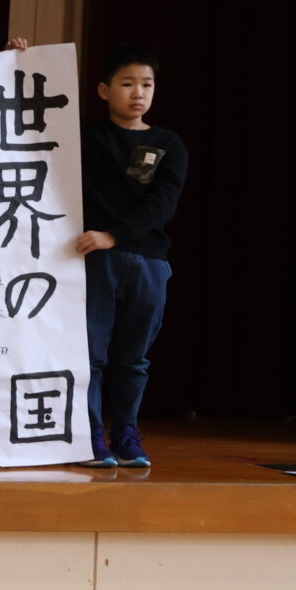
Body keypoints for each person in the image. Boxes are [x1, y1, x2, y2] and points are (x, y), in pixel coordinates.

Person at [76, 44, 188, 468]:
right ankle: (90, 436)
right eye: (127, 84)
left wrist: (114, 234)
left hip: (148, 261)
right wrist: (18, 63)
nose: (138, 93)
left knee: (134, 357)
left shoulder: (168, 143)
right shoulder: (85, 134)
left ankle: (125, 432)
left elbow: (163, 203)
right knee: (91, 354)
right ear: (105, 91)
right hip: (92, 259)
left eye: (146, 84)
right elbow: (27, 125)